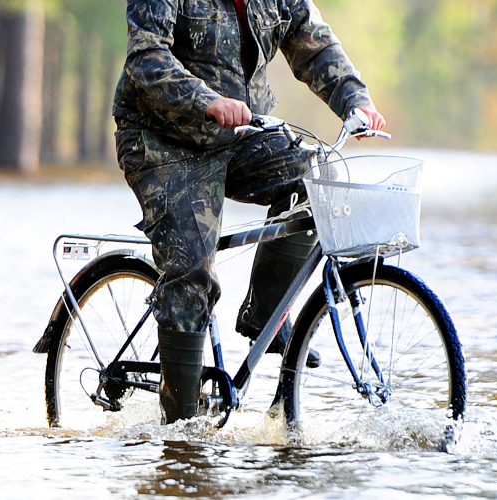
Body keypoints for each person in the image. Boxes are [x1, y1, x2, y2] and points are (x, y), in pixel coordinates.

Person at [113, 0, 387, 423]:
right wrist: (206, 99)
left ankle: (265, 317)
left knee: (312, 180)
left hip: (239, 133)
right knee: (192, 272)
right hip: (162, 141)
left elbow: (312, 43)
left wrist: (356, 100)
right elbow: (146, 57)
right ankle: (184, 432)